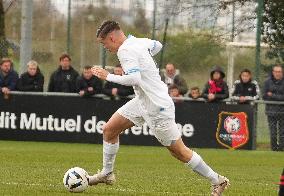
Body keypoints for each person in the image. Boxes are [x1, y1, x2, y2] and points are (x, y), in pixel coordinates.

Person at [88, 20, 229, 195]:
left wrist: (108, 76)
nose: (105, 47)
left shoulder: (125, 50)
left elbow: (134, 79)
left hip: (156, 107)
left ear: (112, 37)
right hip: (142, 101)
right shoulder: (137, 42)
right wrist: (144, 61)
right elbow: (157, 45)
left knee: (179, 152)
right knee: (109, 130)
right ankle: (107, 173)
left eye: (104, 43)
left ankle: (218, 180)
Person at [263, 64, 284, 151]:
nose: (277, 73)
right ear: (273, 72)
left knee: (282, 132)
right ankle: (274, 148)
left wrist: (272, 95)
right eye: (276, 71)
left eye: (279, 72)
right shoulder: (267, 82)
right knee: (273, 132)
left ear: (282, 72)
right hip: (271, 111)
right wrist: (278, 97)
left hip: (283, 111)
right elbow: (264, 95)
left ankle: (282, 148)